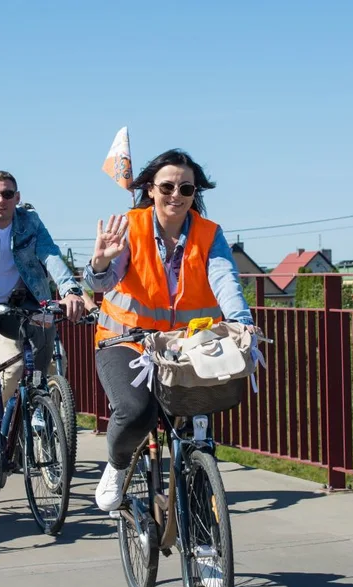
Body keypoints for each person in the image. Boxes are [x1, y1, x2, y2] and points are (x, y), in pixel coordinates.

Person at [83, 149, 254, 511]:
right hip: (126, 341)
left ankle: (205, 544)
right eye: (167, 186)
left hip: (186, 347)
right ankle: (116, 465)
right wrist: (100, 262)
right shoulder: (132, 227)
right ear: (150, 189)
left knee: (198, 437)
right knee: (135, 411)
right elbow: (104, 281)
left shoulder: (210, 235)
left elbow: (225, 279)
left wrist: (242, 322)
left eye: (186, 188)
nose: (176, 195)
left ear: (195, 194)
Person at [0, 170, 85, 505]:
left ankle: (36, 398)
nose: (0, 201)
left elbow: (51, 254)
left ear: (17, 198)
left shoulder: (29, 222)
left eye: (7, 194)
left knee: (45, 323)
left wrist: (70, 291)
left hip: (16, 304)